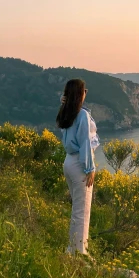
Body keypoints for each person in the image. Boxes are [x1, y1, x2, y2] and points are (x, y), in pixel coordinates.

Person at [56, 78, 100, 255]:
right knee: (82, 211)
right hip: (80, 164)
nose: (86, 94)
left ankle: (73, 249)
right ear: (79, 94)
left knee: (77, 209)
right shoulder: (81, 115)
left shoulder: (67, 113)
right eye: (84, 91)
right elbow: (86, 143)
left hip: (69, 162)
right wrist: (90, 168)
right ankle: (79, 254)